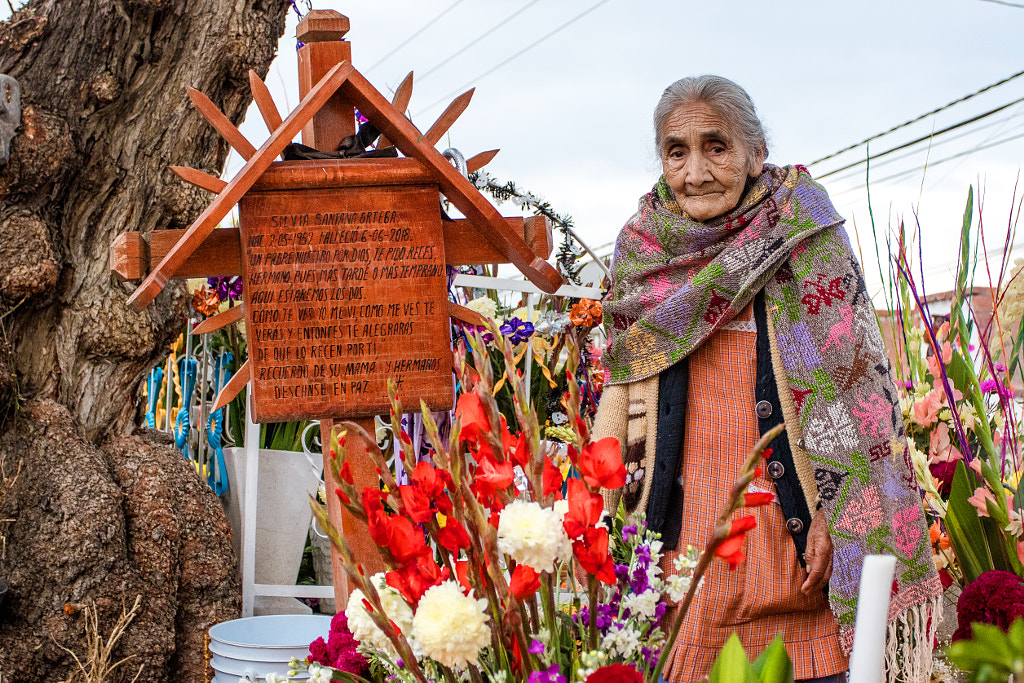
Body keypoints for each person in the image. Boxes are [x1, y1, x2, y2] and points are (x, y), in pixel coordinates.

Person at [594, 75, 942, 683]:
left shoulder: (804, 235)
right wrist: (598, 516)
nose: (695, 171)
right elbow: (621, 388)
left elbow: (859, 393)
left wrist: (840, 516)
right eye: (677, 151)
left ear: (756, 153)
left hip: (792, 538)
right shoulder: (644, 250)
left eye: (716, 146)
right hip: (683, 544)